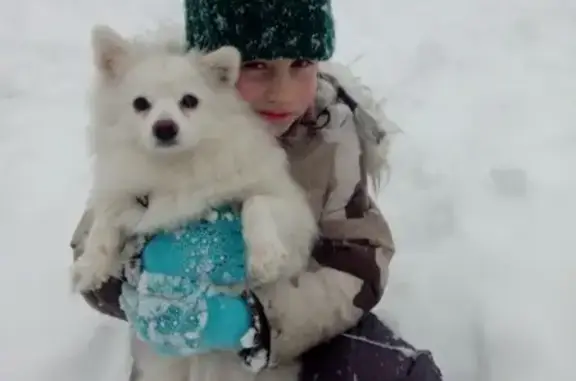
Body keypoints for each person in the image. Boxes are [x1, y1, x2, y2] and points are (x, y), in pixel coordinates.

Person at [70, 0, 443, 380]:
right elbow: (93, 246)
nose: (283, 93)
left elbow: (360, 261)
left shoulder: (332, 136)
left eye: (301, 64)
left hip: (298, 327)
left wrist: (255, 319)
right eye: (256, 65)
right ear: (218, 69)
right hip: (184, 354)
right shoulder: (156, 119)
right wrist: (137, 280)